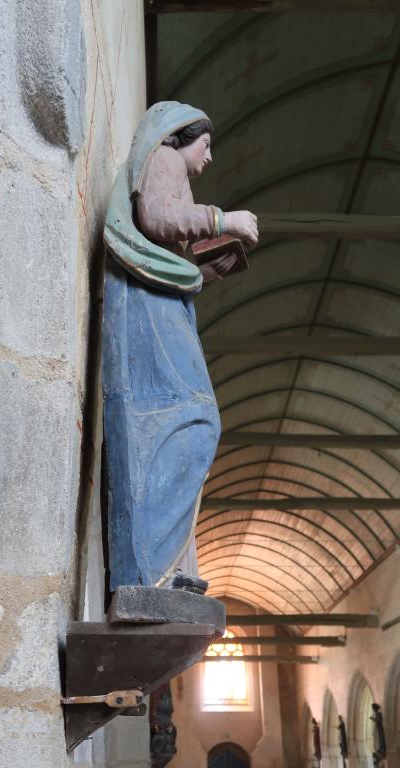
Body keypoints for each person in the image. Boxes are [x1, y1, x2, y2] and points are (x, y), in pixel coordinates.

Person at [102, 101, 258, 592]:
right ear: (178, 135)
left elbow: (166, 254)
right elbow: (155, 216)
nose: (208, 157)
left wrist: (207, 269)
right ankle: (152, 572)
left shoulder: (174, 171)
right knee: (192, 420)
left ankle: (162, 570)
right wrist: (223, 220)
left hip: (157, 301)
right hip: (148, 305)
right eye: (205, 144)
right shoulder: (165, 157)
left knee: (186, 421)